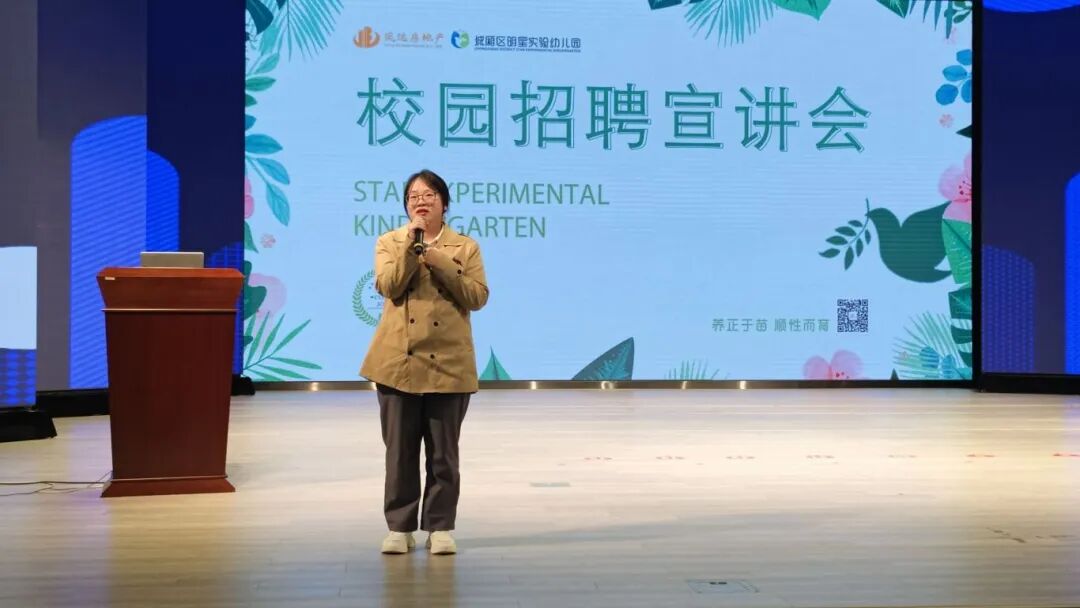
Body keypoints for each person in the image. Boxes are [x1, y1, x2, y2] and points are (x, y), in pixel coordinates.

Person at [360, 169, 489, 555]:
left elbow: (477, 297)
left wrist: (437, 259)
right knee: (399, 452)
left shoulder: (465, 247)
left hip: (449, 362)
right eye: (414, 196)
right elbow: (389, 286)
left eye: (430, 195)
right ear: (406, 205)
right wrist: (411, 248)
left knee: (443, 454)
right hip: (397, 361)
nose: (421, 201)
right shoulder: (389, 241)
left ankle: (440, 526)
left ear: (444, 204)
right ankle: (399, 527)